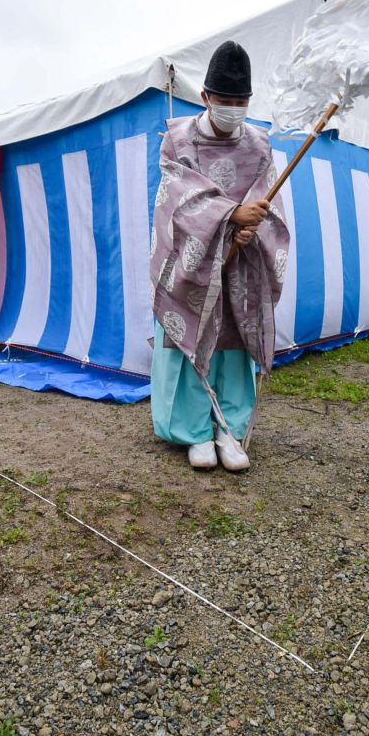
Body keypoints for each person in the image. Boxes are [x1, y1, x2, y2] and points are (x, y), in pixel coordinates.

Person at [150, 41, 290, 472]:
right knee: (191, 340)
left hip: (241, 260)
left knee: (233, 342)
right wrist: (231, 213)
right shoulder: (177, 141)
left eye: (240, 101)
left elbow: (270, 198)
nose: (232, 109)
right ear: (206, 97)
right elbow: (175, 195)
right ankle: (193, 432)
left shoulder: (260, 145)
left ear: (249, 101)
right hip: (191, 259)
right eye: (224, 101)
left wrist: (255, 224)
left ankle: (229, 429)